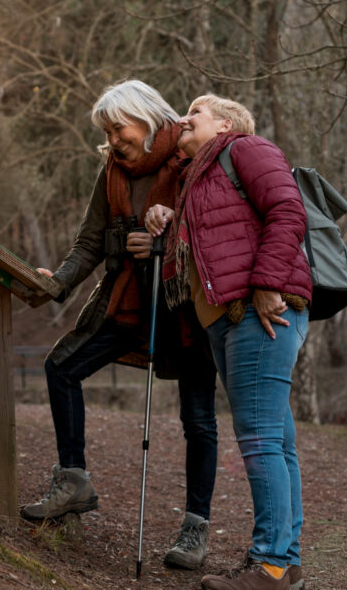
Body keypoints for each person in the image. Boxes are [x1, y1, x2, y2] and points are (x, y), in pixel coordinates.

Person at [21, 79, 219, 571]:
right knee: (61, 366)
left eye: (118, 127)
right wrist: (57, 283)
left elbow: (216, 224)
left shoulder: (192, 155)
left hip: (189, 308)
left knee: (198, 420)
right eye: (107, 132)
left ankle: (195, 528)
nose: (113, 139)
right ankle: (74, 481)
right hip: (129, 303)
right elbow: (89, 241)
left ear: (146, 116)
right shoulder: (111, 170)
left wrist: (163, 235)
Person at [145, 94, 311, 590]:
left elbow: (287, 210)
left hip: (261, 310)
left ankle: (271, 566)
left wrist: (266, 283)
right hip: (226, 319)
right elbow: (221, 234)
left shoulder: (246, 148)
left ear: (225, 122)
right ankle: (286, 561)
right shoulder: (198, 177)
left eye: (194, 112)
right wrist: (166, 217)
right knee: (277, 441)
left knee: (259, 440)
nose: (184, 119)